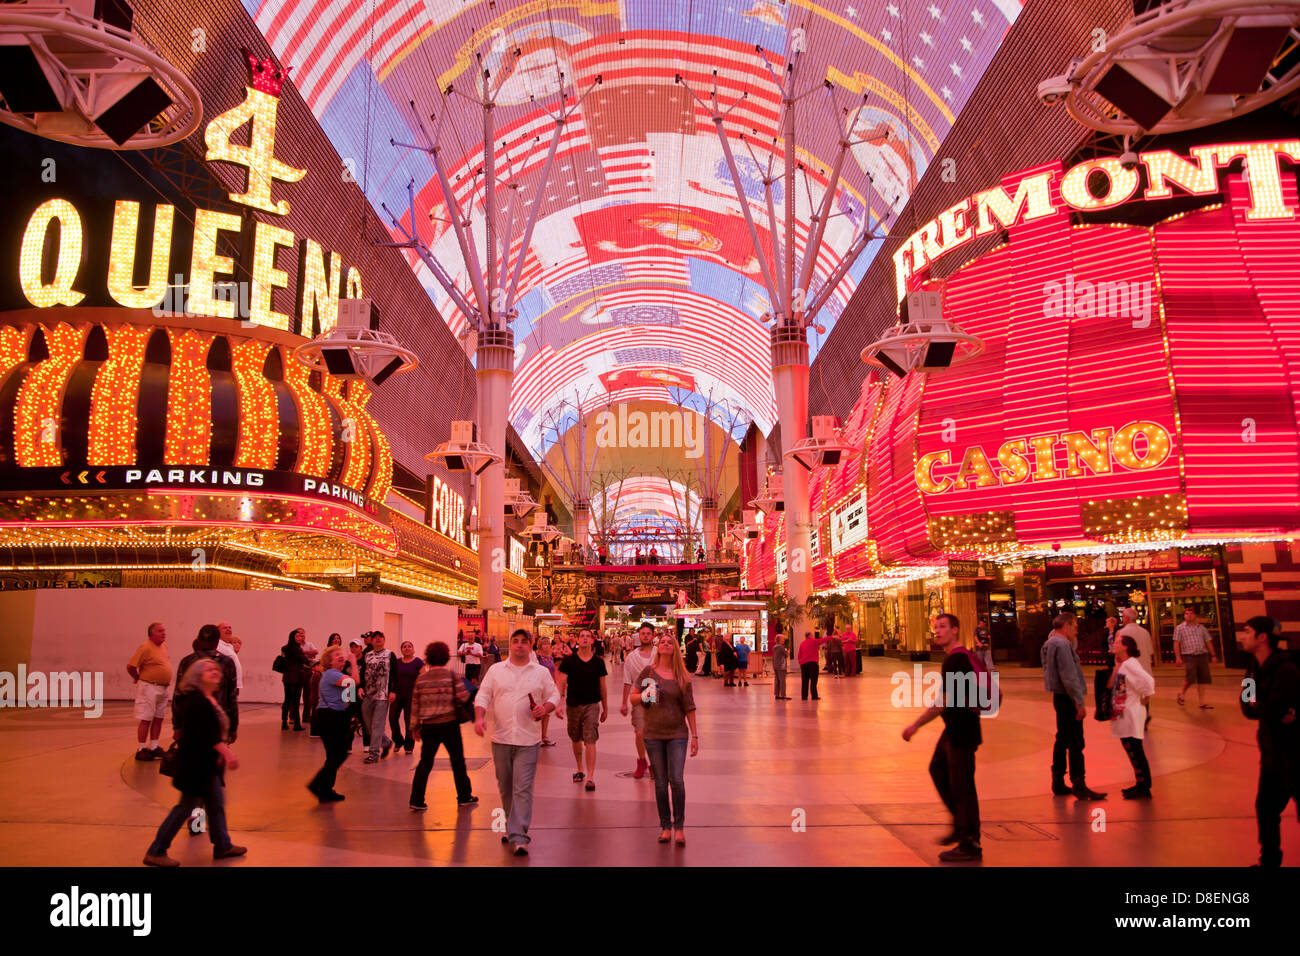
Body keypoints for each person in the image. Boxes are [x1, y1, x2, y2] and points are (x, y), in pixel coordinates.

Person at [143, 659, 245, 866]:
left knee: (216, 805)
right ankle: (156, 851)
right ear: (197, 676)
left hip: (208, 766)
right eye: (208, 670)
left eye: (216, 669)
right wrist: (226, 752)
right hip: (196, 767)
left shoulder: (209, 699)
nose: (215, 672)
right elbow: (205, 735)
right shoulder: (197, 701)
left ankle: (223, 845)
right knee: (185, 808)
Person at [902, 614, 983, 862]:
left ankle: (969, 841)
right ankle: (961, 824)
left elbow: (945, 701)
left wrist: (916, 724)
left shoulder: (956, 659)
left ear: (955, 630)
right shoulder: (956, 657)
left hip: (961, 729)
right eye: (935, 627)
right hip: (955, 727)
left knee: (962, 785)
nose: (937, 631)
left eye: (943, 626)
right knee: (938, 769)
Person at [473, 629, 560, 856]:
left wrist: (545, 708)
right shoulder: (496, 670)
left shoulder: (540, 672)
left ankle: (520, 836)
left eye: (524, 642)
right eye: (515, 641)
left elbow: (554, 696)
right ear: (510, 645)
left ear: (531, 646)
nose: (519, 645)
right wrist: (480, 717)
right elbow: (483, 695)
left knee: (522, 787)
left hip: (528, 740)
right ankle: (512, 825)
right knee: (506, 786)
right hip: (501, 738)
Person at [1239, 616, 1300, 867]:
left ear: (1262, 637)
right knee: (1265, 809)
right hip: (1272, 753)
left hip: (1295, 753)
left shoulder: (1286, 669)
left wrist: (1263, 707)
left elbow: (1273, 709)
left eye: (1247, 631)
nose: (1242, 636)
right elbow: (1247, 705)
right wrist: (1264, 708)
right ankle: (1270, 861)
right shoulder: (1253, 667)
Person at [631, 628, 698, 845]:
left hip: (678, 733)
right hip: (653, 734)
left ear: (675, 648)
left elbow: (690, 707)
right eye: (663, 642)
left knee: (676, 780)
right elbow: (633, 698)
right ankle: (665, 826)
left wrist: (695, 736)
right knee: (660, 782)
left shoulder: (682, 676)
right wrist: (643, 695)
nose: (666, 644)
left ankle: (679, 827)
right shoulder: (648, 672)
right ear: (659, 648)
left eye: (670, 642)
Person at [1042, 612, 1106, 800]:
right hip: (1068, 698)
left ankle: (1058, 781)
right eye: (1075, 627)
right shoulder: (1062, 645)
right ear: (1066, 626)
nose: (1077, 631)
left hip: (1059, 696)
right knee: (1076, 742)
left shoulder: (1051, 643)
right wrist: (1079, 702)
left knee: (1062, 738)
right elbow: (1069, 676)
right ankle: (1079, 783)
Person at [409, 641, 477, 811]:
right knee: (457, 761)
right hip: (449, 725)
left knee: (425, 762)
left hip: (428, 727)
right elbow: (462, 698)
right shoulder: (452, 676)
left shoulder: (421, 679)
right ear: (446, 657)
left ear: (428, 657)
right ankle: (464, 796)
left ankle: (416, 799)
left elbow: (415, 705)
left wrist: (414, 727)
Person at [556, 629, 608, 791]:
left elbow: (603, 686)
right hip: (573, 705)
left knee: (590, 738)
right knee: (575, 737)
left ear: (593, 641)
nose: (585, 639)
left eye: (588, 637)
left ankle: (590, 777)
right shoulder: (569, 661)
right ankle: (580, 768)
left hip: (592, 705)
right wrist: (558, 704)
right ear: (578, 640)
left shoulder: (598, 663)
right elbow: (561, 683)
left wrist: (605, 708)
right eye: (582, 636)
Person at [1108, 635, 1156, 799]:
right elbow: (1112, 685)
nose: (1114, 645)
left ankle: (1143, 785)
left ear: (1126, 646)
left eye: (1117, 643)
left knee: (1135, 750)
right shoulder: (1124, 665)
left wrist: (1144, 698)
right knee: (1132, 749)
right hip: (1124, 713)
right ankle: (1141, 783)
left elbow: (1147, 682)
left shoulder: (1130, 665)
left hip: (1130, 714)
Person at [177, 625, 239, 743]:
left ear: (199, 641)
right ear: (217, 642)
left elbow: (179, 695)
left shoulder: (187, 661)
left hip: (190, 721)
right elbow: (232, 697)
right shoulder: (226, 662)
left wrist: (177, 725)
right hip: (217, 722)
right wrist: (233, 727)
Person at [307, 647, 353, 803]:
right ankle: (316, 785)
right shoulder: (331, 674)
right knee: (339, 755)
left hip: (336, 717)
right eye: (337, 655)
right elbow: (353, 682)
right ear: (329, 661)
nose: (341, 656)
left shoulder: (339, 675)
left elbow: (349, 695)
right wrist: (353, 664)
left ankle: (325, 790)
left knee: (334, 755)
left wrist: (350, 713)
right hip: (329, 718)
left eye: (341, 654)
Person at [127, 622, 172, 760]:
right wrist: (137, 677)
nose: (163, 633)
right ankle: (141, 748)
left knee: (158, 718)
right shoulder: (145, 647)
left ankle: (153, 746)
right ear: (151, 634)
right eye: (160, 631)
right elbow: (131, 666)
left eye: (164, 630)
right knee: (146, 718)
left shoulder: (164, 646)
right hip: (149, 687)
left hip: (162, 687)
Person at [621, 622, 658, 778]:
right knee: (639, 732)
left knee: (656, 733)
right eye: (643, 633)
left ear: (653, 635)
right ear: (638, 635)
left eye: (648, 633)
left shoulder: (659, 653)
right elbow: (627, 681)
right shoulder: (632, 657)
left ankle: (655, 764)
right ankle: (642, 760)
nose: (645, 636)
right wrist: (624, 702)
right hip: (638, 698)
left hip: (658, 698)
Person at [360, 630, 399, 762]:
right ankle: (386, 742)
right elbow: (362, 673)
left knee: (377, 724)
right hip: (368, 694)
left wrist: (393, 691)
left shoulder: (390, 655)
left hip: (383, 695)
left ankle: (374, 754)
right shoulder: (367, 655)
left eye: (380, 637)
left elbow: (395, 674)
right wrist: (360, 687)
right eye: (375, 638)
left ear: (384, 640)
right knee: (368, 724)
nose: (377, 639)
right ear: (371, 640)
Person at [1117, 609, 1156, 728]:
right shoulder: (1145, 632)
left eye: (1123, 617)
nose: (1122, 619)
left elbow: (1118, 653)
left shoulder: (1121, 632)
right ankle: (1144, 716)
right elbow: (1150, 651)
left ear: (1127, 619)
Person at [1175, 607, 1217, 709]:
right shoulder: (1180, 628)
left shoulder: (1201, 628)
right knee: (1190, 678)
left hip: (1202, 655)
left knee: (1203, 679)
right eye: (1186, 614)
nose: (1188, 615)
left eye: (1190, 613)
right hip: (1189, 656)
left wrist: (1213, 655)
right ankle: (1182, 694)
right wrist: (1178, 657)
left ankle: (1201, 702)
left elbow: (1208, 641)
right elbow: (1176, 643)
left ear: (1195, 615)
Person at [390, 641, 424, 754]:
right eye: (404, 646)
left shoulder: (418, 662)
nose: (407, 648)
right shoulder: (397, 662)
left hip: (411, 697)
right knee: (392, 717)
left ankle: (409, 746)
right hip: (397, 695)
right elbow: (392, 678)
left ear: (413, 649)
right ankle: (398, 741)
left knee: (409, 721)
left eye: (409, 646)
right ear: (401, 650)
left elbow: (423, 678)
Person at [279, 628, 310, 731]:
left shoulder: (285, 648)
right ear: (292, 637)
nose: (300, 638)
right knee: (296, 701)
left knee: (287, 700)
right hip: (296, 678)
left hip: (287, 678)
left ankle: (284, 723)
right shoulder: (297, 649)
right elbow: (304, 660)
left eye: (301, 636)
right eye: (297, 636)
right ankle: (297, 725)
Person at [535, 636, 558, 746]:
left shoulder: (550, 657)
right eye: (544, 644)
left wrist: (555, 685)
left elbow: (553, 672)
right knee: (540, 712)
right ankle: (538, 737)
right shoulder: (537, 657)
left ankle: (544, 735)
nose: (546, 646)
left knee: (547, 712)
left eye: (547, 644)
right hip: (540, 687)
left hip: (550, 687)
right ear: (540, 645)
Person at [344, 639, 365, 749]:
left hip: (361, 692)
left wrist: (361, 687)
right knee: (348, 719)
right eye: (352, 647)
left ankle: (367, 745)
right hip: (349, 691)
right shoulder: (347, 662)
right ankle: (348, 746)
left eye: (356, 647)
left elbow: (367, 678)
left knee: (364, 718)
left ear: (361, 648)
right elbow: (343, 677)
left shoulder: (365, 662)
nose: (353, 649)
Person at [797, 631, 829, 700]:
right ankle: (814, 696)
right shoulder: (813, 641)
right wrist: (832, 637)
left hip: (804, 664)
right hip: (813, 664)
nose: (813, 636)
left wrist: (801, 663)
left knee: (804, 681)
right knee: (813, 681)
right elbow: (823, 640)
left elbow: (799, 655)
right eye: (812, 635)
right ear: (809, 636)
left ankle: (804, 696)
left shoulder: (802, 643)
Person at [215, 622, 243, 697]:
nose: (228, 629)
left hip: (233, 684)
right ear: (218, 632)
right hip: (225, 685)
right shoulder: (217, 645)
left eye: (229, 627)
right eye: (225, 628)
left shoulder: (229, 646)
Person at [771, 634, 790, 700]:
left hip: (775, 665)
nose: (784, 640)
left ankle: (777, 694)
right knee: (782, 681)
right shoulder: (781, 647)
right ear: (779, 640)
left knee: (777, 680)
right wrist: (787, 652)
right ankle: (783, 695)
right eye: (783, 639)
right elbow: (786, 655)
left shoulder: (774, 647)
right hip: (781, 666)